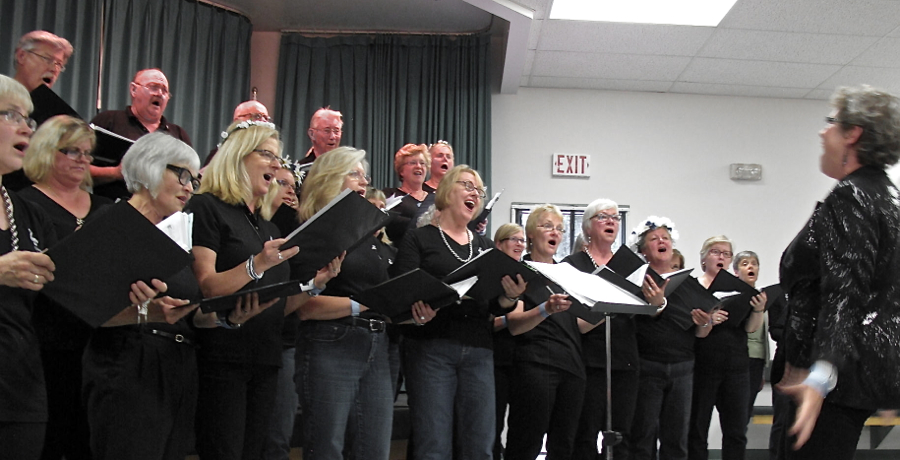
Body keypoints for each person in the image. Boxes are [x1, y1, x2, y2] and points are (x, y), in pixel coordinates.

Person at [778, 85, 900, 460]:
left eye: (831, 123)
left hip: (831, 378)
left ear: (853, 134)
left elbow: (845, 291)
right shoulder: (886, 194)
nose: (822, 132)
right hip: (864, 369)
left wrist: (821, 375)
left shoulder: (852, 196)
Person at [80, 132, 216, 460]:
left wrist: (220, 316)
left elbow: (182, 304)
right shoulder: (111, 222)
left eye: (194, 180)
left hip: (178, 362)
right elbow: (84, 308)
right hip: (128, 362)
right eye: (182, 175)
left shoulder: (175, 235)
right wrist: (147, 314)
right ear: (150, 167)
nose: (189, 187)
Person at [187, 119, 306, 460]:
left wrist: (317, 283)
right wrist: (257, 264)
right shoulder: (207, 207)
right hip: (223, 357)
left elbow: (277, 304)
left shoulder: (267, 226)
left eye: (279, 158)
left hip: (265, 356)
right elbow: (207, 284)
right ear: (238, 156)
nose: (275, 164)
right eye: (267, 154)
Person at [392, 165, 526, 460]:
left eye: (479, 191)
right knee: (434, 444)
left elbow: (494, 304)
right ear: (445, 193)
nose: (474, 194)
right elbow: (402, 288)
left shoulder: (485, 246)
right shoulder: (420, 238)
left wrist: (508, 297)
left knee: (480, 445)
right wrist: (417, 308)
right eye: (467, 185)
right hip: (431, 346)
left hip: (478, 348)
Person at [296, 147, 416, 460]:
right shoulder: (314, 228)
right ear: (329, 179)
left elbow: (380, 295)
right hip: (332, 341)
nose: (364, 181)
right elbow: (303, 306)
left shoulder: (368, 236)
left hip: (377, 345)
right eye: (355, 173)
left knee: (374, 450)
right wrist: (360, 305)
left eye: (364, 174)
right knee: (326, 447)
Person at [18, 115, 111, 460]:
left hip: (99, 344)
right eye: (72, 151)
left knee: (90, 442)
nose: (83, 160)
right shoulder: (24, 205)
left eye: (87, 153)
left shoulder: (104, 207)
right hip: (47, 342)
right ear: (45, 150)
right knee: (50, 439)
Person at [566, 199, 665, 460]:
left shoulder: (631, 265)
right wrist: (612, 304)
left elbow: (647, 311)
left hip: (625, 359)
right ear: (588, 227)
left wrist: (657, 302)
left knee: (623, 432)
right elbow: (571, 320)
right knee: (586, 432)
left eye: (615, 217)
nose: (611, 221)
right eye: (603, 217)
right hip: (588, 360)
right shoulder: (573, 265)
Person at [506, 204, 598, 460]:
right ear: (531, 233)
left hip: (572, 368)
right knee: (526, 443)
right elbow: (514, 324)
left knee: (564, 446)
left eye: (559, 228)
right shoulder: (519, 272)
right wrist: (545, 309)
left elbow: (578, 325)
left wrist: (609, 310)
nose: (554, 232)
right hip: (536, 366)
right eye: (547, 226)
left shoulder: (567, 275)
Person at [0, 73, 57, 460]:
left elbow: (60, 301)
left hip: (19, 388)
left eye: (29, 118)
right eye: (11, 114)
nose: (26, 127)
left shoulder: (28, 212)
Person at [626, 217, 712, 460]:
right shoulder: (637, 281)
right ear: (643, 250)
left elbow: (702, 333)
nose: (661, 241)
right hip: (647, 366)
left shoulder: (689, 283)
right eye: (654, 238)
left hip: (683, 367)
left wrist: (704, 322)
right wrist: (655, 305)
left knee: (676, 439)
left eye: (665, 237)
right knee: (642, 436)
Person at [687, 236, 765, 460]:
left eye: (726, 253)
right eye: (715, 252)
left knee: (736, 431)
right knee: (697, 429)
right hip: (703, 365)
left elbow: (750, 329)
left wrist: (758, 310)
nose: (721, 257)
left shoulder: (739, 288)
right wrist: (708, 319)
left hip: (737, 366)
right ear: (703, 258)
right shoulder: (693, 286)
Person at [90, 68, 191, 201]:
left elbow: (188, 179)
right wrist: (115, 173)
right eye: (154, 87)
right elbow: (78, 167)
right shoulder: (108, 120)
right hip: (111, 207)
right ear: (133, 90)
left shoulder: (178, 134)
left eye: (164, 90)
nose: (160, 94)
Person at [4, 31, 75, 192]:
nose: (53, 68)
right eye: (47, 59)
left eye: (59, 64)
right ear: (22, 56)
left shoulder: (57, 116)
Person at [490, 223, 525, 459]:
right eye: (514, 239)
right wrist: (512, 318)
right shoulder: (490, 274)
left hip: (521, 359)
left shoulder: (525, 275)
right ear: (499, 244)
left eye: (523, 240)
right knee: (492, 425)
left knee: (521, 427)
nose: (520, 244)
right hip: (495, 359)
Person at [733, 251, 768, 431]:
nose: (751, 267)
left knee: (746, 411)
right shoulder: (734, 297)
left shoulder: (761, 297)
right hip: (741, 358)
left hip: (757, 360)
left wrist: (763, 367)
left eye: (754, 263)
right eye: (745, 263)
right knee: (738, 412)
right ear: (736, 271)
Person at [383, 143, 435, 244]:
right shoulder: (389, 194)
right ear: (401, 171)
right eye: (413, 163)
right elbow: (389, 222)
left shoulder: (435, 199)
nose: (418, 166)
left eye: (422, 163)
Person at [203, 100, 271, 167]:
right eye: (257, 116)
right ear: (238, 120)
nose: (263, 121)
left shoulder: (270, 152)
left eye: (266, 118)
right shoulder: (221, 153)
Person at [296, 107, 343, 190]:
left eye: (336, 131)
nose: (333, 137)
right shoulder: (301, 170)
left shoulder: (346, 167)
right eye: (327, 131)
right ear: (312, 134)